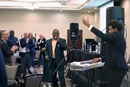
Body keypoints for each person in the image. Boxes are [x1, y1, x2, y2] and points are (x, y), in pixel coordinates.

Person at [81, 17, 128, 87]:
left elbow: (102, 35)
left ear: (115, 29)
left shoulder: (117, 35)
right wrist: (100, 59)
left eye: (110, 29)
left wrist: (89, 25)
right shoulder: (117, 37)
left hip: (118, 67)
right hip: (117, 66)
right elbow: (113, 54)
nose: (109, 31)